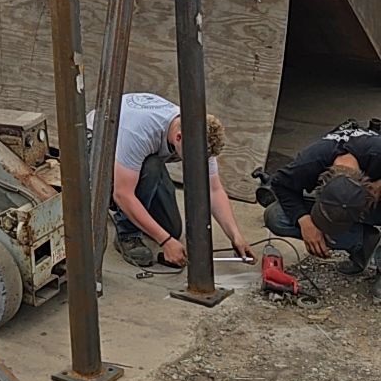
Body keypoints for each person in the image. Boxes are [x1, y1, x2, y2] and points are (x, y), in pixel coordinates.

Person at [90, 91, 254, 269]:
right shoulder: (141, 133)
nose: (196, 165)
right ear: (179, 137)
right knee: (150, 168)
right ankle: (127, 233)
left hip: (137, 155)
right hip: (97, 141)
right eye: (193, 159)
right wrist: (165, 241)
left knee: (172, 229)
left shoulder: (199, 138)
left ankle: (136, 206)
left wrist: (236, 236)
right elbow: (123, 194)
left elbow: (213, 190)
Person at [264, 126, 381, 300]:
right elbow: (280, 184)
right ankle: (362, 242)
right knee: (277, 217)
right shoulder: (310, 162)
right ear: (321, 187)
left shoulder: (376, 151)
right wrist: (304, 221)